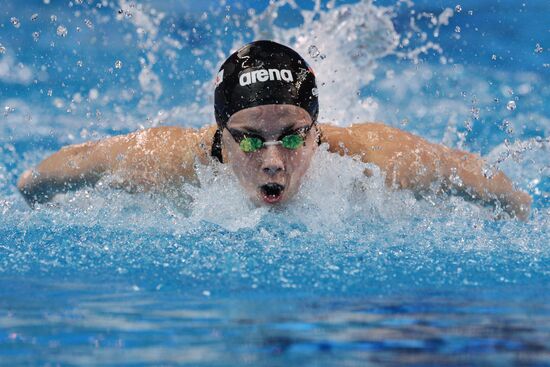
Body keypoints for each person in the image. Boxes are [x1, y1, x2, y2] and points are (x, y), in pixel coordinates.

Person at [17, 40, 531, 220]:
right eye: (245, 137)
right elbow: (39, 178)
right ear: (219, 134)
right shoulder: (165, 161)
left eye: (291, 136)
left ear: (315, 131)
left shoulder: (378, 160)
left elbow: (511, 198)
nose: (271, 160)